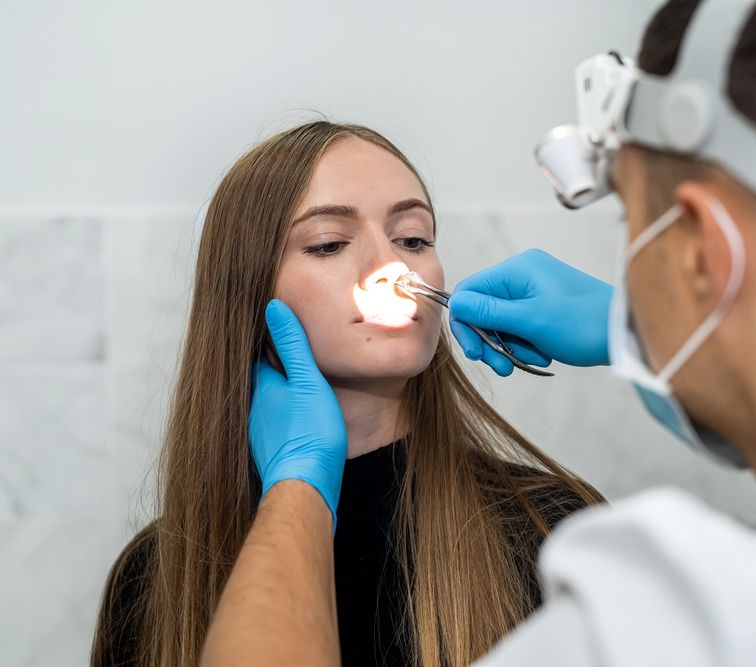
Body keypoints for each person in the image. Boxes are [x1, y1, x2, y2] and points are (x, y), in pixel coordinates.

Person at [201, 0, 756, 665]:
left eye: (631, 223)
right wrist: (632, 330)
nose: (389, 264)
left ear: (708, 254)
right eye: (330, 243)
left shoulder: (661, 616)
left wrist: (298, 488)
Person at [90, 120, 601, 667]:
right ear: (246, 297)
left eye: (413, 239)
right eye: (328, 243)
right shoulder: (154, 576)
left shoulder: (555, 533)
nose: (392, 267)